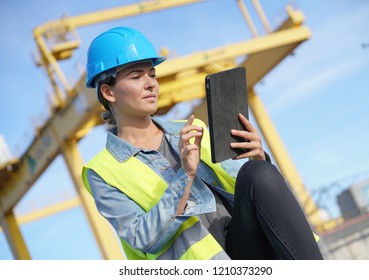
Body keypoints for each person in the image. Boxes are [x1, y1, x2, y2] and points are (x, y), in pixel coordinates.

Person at [82, 26, 323, 260]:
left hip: (245, 248)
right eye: (136, 76)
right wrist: (185, 175)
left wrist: (257, 158)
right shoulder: (102, 171)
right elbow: (143, 239)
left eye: (152, 75)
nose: (151, 84)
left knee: (259, 172)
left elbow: (247, 190)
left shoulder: (192, 129)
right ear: (109, 92)